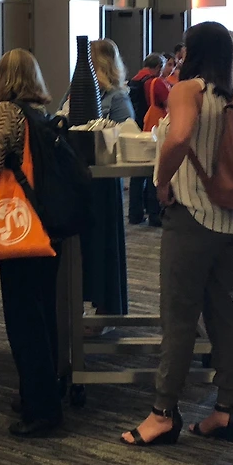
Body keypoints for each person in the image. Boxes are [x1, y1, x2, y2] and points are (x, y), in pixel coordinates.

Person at [121, 22, 233, 447]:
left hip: (193, 214)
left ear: (191, 52)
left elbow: (178, 137)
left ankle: (163, 413)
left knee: (178, 317)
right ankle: (227, 409)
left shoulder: (187, 90)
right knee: (224, 314)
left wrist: (162, 181)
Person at [0, 49, 64, 436]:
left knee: (23, 320)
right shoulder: (41, 113)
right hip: (46, 223)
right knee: (43, 315)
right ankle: (41, 393)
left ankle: (41, 410)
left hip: (18, 227)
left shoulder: (6, 112)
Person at [84, 40, 132, 326]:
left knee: (104, 250)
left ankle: (106, 312)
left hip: (103, 185)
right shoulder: (78, 91)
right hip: (80, 182)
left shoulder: (117, 99)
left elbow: (125, 138)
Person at [127, 55, 165, 226]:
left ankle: (134, 213)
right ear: (158, 67)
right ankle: (154, 214)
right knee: (151, 171)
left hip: (135, 128)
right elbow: (166, 101)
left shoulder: (134, 80)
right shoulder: (154, 82)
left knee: (136, 174)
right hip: (150, 128)